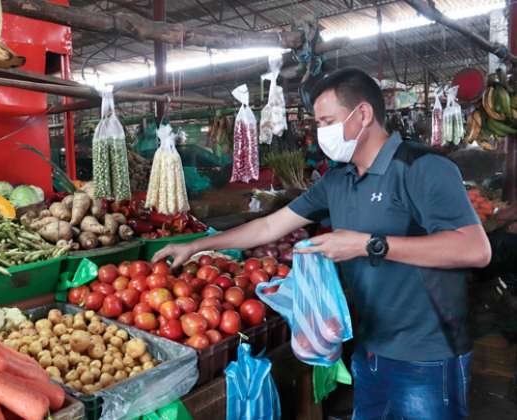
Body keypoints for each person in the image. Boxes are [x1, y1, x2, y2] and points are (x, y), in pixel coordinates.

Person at [153, 68, 491, 420]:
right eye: (318, 124)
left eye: (327, 121)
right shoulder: (338, 181)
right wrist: (195, 246)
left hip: (427, 354)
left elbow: (474, 250)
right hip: (370, 346)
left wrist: (368, 245)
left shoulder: (423, 168)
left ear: (363, 114)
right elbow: (269, 225)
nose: (320, 134)